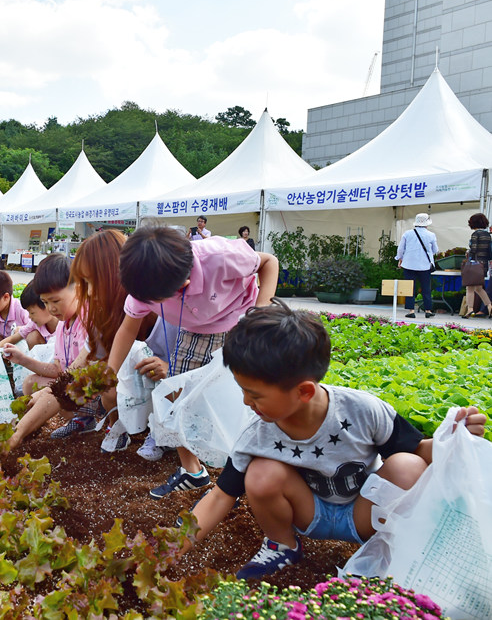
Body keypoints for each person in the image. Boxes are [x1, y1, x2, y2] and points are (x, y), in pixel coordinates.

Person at [179, 300, 488, 579]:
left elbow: (419, 450)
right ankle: (282, 545)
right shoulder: (257, 434)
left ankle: (393, 549)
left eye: (255, 394)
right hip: (308, 513)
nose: (246, 402)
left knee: (407, 465)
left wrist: (455, 438)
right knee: (260, 473)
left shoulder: (363, 410)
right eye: (242, 390)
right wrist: (174, 546)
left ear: (304, 391)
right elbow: (221, 496)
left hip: (364, 514)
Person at [107, 224, 278, 499]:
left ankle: (243, 477)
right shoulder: (145, 286)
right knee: (176, 397)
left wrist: (261, 313)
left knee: (246, 400)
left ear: (184, 283)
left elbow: (268, 262)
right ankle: (193, 472)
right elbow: (128, 328)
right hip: (196, 331)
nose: (148, 304)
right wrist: (109, 372)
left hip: (242, 321)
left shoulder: (221, 256)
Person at [1, 254, 90, 448]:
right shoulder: (62, 326)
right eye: (45, 302)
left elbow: (70, 378)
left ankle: (94, 420)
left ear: (79, 289)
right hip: (76, 386)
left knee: (54, 391)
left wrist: (18, 432)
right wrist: (22, 359)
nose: (51, 308)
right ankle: (80, 420)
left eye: (55, 301)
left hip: (96, 390)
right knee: (32, 383)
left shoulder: (88, 320)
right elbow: (58, 370)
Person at [395, 213, 438, 319]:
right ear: (427, 224)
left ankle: (411, 310)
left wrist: (399, 258)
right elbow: (435, 250)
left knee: (409, 288)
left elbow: (400, 249)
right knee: (426, 288)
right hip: (425, 265)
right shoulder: (431, 235)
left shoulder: (407, 234)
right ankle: (428, 310)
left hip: (409, 264)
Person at [0, 281, 59, 350]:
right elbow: (13, 338)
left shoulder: (64, 325)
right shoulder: (34, 324)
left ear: (47, 304)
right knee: (32, 336)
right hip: (46, 357)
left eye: (32, 313)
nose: (29, 316)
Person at [463, 212, 492, 318]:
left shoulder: (476, 234)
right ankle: (489, 306)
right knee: (479, 288)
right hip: (484, 264)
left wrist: (468, 252)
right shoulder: (487, 235)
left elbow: (474, 249)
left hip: (475, 263)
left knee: (469, 287)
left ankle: (470, 309)